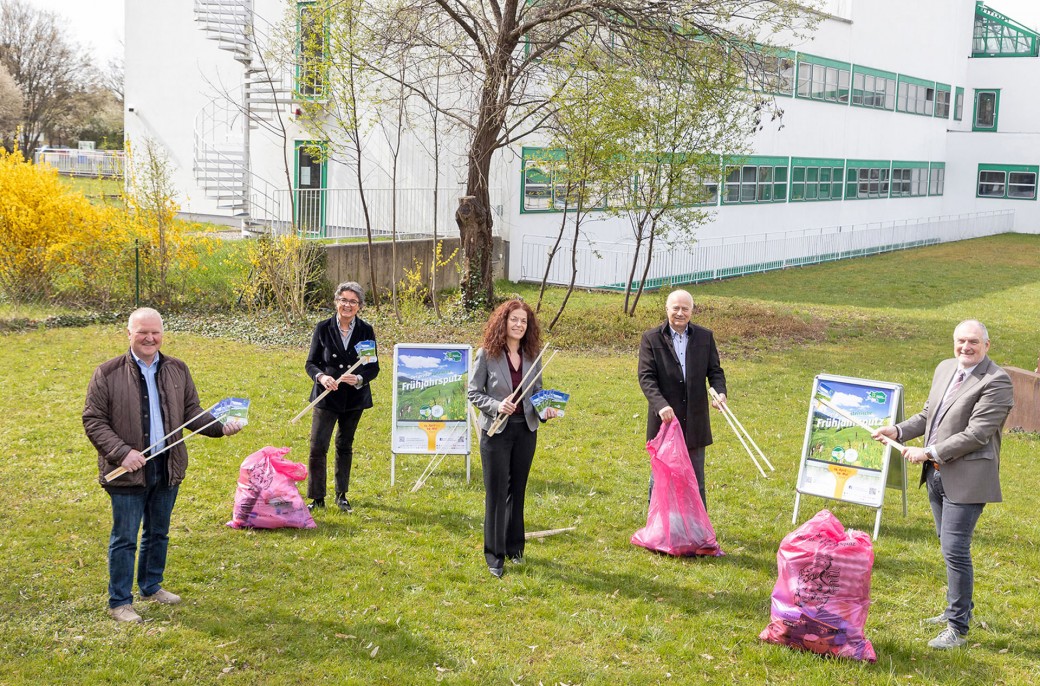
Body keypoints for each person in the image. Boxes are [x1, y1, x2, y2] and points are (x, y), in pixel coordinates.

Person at [83, 308, 242, 624]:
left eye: (155, 332)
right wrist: (122, 452)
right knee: (125, 537)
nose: (149, 338)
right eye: (142, 332)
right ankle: (119, 602)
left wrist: (220, 427)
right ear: (129, 333)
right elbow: (93, 419)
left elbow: (192, 411)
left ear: (162, 334)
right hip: (128, 469)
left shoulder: (177, 369)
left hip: (167, 465)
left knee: (158, 533)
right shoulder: (107, 373)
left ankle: (151, 586)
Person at [873, 319, 1013, 650]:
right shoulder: (946, 368)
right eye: (961, 341)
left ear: (987, 345)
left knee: (955, 548)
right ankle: (958, 608)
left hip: (967, 478)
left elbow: (977, 434)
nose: (966, 347)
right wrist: (898, 431)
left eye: (974, 342)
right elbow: (929, 415)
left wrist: (928, 451)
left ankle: (957, 628)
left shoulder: (997, 381)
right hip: (935, 475)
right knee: (947, 545)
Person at [468, 299, 558, 578]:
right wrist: (497, 405)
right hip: (496, 431)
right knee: (496, 494)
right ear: (503, 322)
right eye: (514, 320)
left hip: (525, 430)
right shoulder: (487, 354)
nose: (519, 325)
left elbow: (538, 391)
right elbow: (473, 393)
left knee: (517, 490)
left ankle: (515, 548)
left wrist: (546, 410)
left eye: (523, 321)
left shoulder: (533, 354)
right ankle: (494, 556)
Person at [638, 289, 727, 509]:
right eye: (675, 308)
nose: (680, 313)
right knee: (662, 479)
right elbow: (646, 377)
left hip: (695, 421)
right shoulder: (651, 338)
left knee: (696, 481)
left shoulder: (705, 337)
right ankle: (660, 528)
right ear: (667, 309)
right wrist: (661, 405)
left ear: (692, 311)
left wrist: (720, 391)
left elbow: (715, 371)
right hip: (665, 422)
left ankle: (697, 531)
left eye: (685, 308)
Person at [304, 281, 379, 513]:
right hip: (327, 397)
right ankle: (317, 498)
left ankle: (342, 495)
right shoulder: (323, 328)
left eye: (353, 302)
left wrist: (358, 379)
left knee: (344, 446)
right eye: (344, 300)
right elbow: (310, 363)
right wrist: (322, 377)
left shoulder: (366, 331)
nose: (348, 305)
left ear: (360, 306)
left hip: (353, 400)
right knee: (318, 447)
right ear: (336, 302)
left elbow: (373, 367)